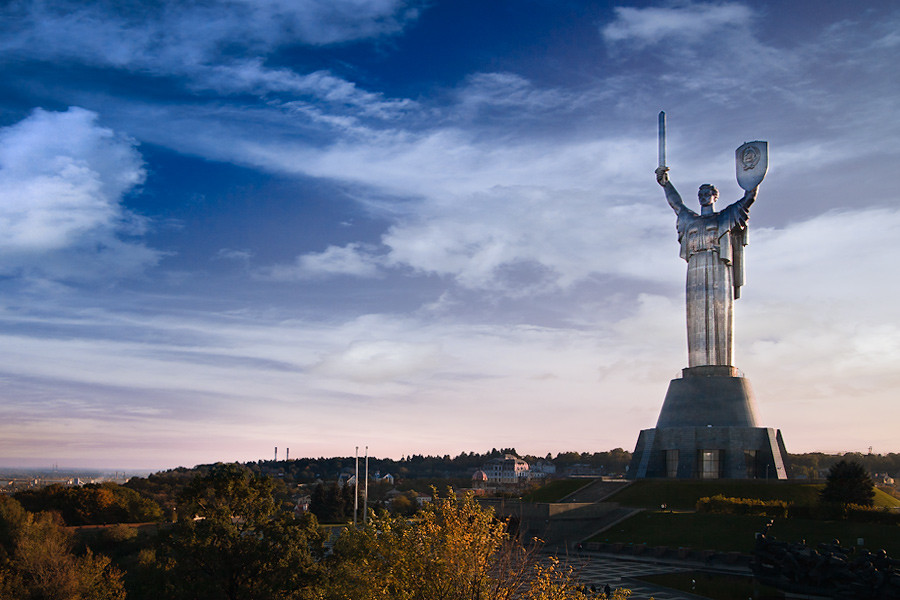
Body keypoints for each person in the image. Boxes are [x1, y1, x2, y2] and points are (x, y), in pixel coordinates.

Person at [655, 166, 757, 367]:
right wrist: (666, 184)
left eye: (707, 193)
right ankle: (698, 365)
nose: (703, 197)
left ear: (715, 196)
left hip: (719, 265)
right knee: (696, 316)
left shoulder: (725, 217)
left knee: (720, 312)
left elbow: (748, 199)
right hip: (695, 268)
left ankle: (721, 364)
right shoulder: (690, 219)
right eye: (700, 194)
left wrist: (753, 181)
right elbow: (676, 204)